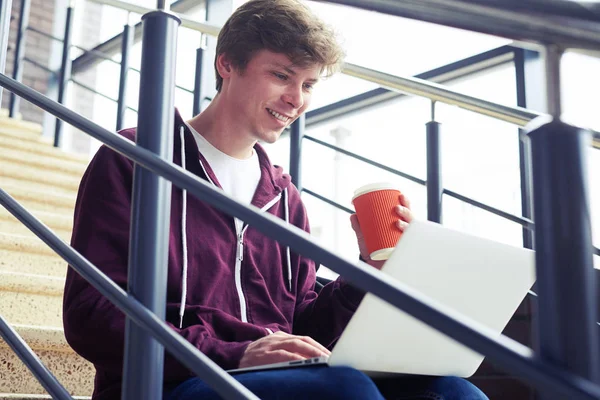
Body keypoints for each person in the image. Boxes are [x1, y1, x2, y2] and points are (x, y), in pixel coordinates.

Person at [63, 0, 488, 399]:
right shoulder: (137, 160)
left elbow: (302, 324)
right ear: (227, 63)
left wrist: (368, 274)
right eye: (282, 76)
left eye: (308, 84)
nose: (297, 99)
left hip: (272, 378)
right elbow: (91, 314)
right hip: (173, 381)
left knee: (453, 391)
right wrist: (239, 354)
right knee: (343, 390)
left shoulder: (285, 198)